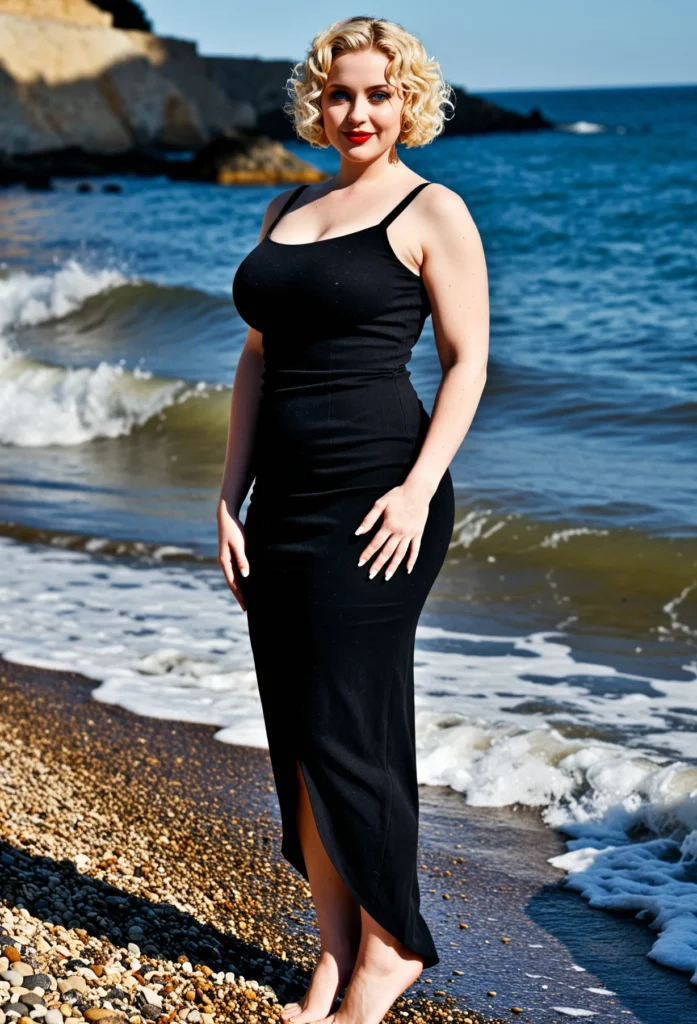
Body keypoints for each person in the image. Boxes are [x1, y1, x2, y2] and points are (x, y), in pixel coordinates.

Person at [219, 15, 489, 1024]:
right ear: (316, 100)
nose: (358, 111)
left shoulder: (432, 209)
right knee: (297, 728)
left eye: (378, 94)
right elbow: (255, 358)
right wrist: (227, 494)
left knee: (350, 728)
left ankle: (391, 948)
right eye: (340, 94)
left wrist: (418, 488)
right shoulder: (288, 206)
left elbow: (465, 361)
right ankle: (333, 953)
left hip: (378, 498)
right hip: (279, 502)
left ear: (408, 100)